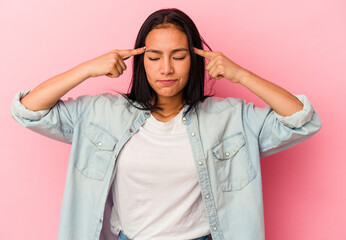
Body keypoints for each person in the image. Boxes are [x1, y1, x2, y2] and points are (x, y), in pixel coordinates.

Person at [11, 8, 321, 240]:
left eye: (179, 56)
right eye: (154, 57)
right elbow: (28, 110)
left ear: (195, 60)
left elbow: (300, 120)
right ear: (141, 62)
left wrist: (240, 75)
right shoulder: (101, 113)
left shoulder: (229, 118)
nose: (166, 68)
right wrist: (88, 69)